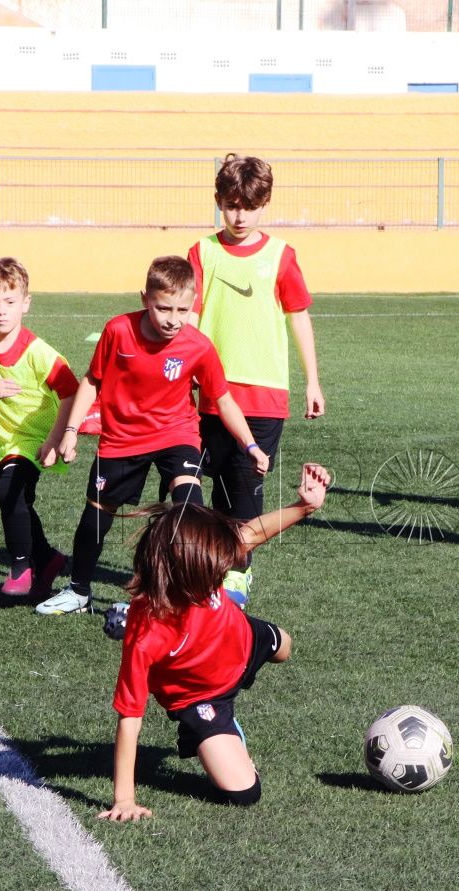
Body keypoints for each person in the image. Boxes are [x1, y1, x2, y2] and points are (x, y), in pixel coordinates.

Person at [34, 256, 270, 616]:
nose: (173, 319)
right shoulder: (118, 331)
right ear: (145, 298)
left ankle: (196, 592)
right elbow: (92, 381)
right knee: (97, 516)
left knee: (190, 512)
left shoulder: (199, 346)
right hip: (122, 439)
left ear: (193, 303)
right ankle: (79, 591)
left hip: (177, 433)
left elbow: (222, 398)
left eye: (182, 309)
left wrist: (250, 444)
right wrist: (69, 432)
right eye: (163, 308)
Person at [99, 462, 329, 820]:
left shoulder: (199, 561)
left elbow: (249, 535)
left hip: (242, 637)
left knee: (286, 647)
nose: (225, 567)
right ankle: (222, 731)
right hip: (201, 697)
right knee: (244, 793)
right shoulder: (146, 636)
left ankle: (259, 630)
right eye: (219, 569)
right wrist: (124, 799)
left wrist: (306, 506)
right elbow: (130, 718)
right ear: (187, 574)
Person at [187, 154, 322, 605]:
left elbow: (298, 316)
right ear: (218, 202)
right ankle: (193, 571)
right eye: (231, 204)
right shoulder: (202, 252)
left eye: (250, 205)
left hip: (264, 400)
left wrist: (312, 381)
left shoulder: (281, 256)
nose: (240, 215)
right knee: (191, 496)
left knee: (244, 502)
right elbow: (189, 318)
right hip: (206, 398)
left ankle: (236, 582)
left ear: (265, 204)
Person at [0, 257, 76, 597]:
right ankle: (49, 559)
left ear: (26, 303)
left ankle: (21, 567)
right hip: (0, 441)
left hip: (33, 438)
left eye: (10, 302)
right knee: (17, 502)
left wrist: (58, 438)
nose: (1, 311)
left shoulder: (41, 353)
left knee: (7, 493)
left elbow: (71, 393)